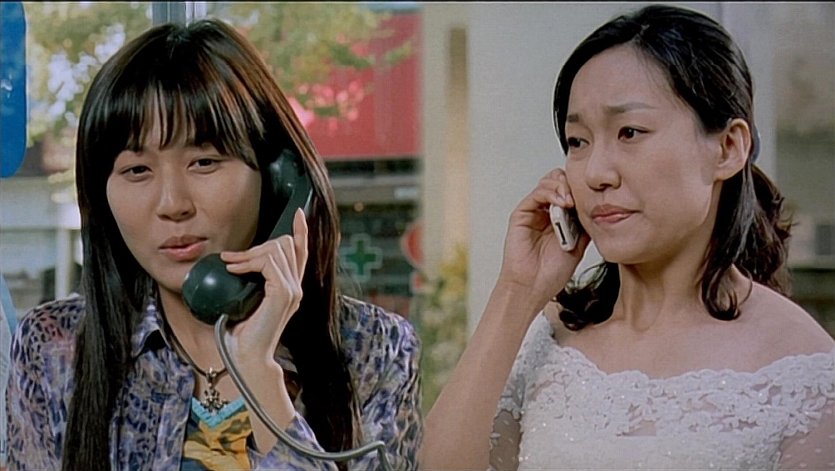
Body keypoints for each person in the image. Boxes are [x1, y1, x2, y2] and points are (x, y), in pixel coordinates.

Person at [421, 4, 834, 470]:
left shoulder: (804, 371)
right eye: (578, 142)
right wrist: (518, 291)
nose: (596, 173)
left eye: (630, 132)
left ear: (727, 148)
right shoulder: (551, 338)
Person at [7, 18, 422, 471]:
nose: (173, 205)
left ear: (279, 179)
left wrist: (259, 371)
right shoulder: (56, 348)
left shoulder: (373, 349)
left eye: (204, 162)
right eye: (137, 171)